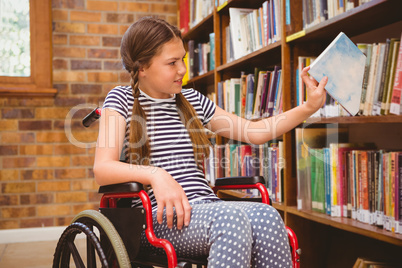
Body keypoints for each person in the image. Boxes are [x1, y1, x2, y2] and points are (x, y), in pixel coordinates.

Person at [94, 17, 327, 268]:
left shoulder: (192, 99)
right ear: (142, 68)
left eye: (182, 59)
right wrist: (155, 175)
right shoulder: (120, 99)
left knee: (268, 216)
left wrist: (308, 107)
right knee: (230, 219)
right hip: (155, 219)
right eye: (172, 63)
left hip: (206, 209)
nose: (182, 69)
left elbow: (255, 131)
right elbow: (102, 168)